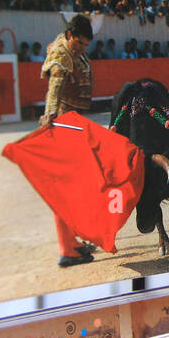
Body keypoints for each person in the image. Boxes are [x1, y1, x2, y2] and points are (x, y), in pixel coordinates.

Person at [40, 15, 97, 267]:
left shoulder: (66, 47)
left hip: (70, 119)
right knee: (65, 187)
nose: (82, 49)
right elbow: (55, 86)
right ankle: (67, 248)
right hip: (62, 120)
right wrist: (50, 117)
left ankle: (72, 241)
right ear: (70, 34)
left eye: (85, 46)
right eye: (79, 44)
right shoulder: (63, 54)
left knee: (74, 185)